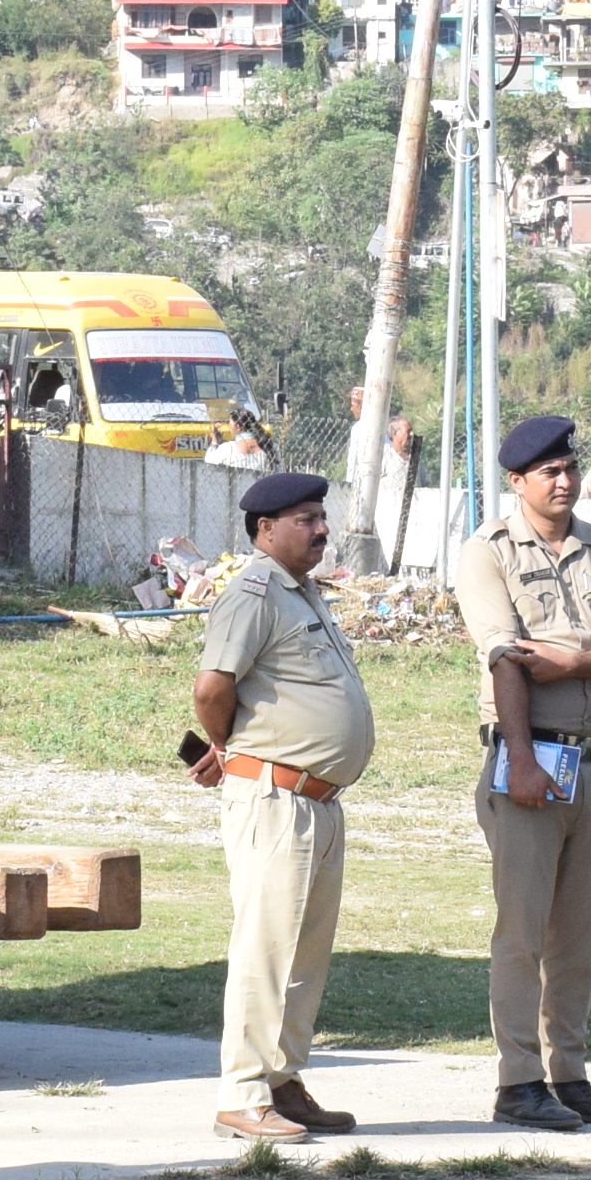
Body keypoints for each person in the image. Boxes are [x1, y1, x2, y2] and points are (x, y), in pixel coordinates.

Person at [455, 412, 591, 1133]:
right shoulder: (488, 552)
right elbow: (504, 656)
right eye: (549, 472)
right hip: (529, 760)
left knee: (579, 935)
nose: (565, 481)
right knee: (522, 932)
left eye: (570, 467)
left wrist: (571, 661)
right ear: (518, 482)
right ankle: (518, 1080)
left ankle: (568, 1072)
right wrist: (525, 761)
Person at [192, 468, 374, 1143]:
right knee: (265, 948)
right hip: (274, 796)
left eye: (321, 517)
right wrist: (223, 743)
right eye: (305, 518)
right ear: (265, 529)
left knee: (304, 951)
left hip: (317, 801)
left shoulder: (303, 593)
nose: (321, 528)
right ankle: (241, 1093)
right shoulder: (254, 591)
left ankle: (281, 1080)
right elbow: (213, 687)